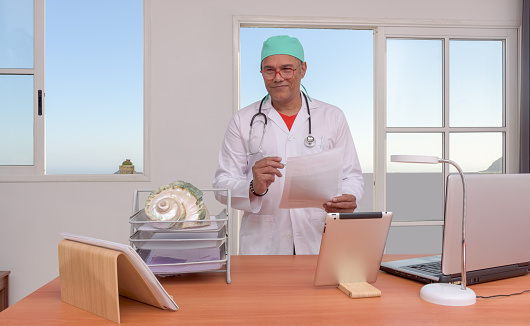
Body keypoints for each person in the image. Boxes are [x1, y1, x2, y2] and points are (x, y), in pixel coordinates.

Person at [213, 35, 364, 255]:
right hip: (264, 244)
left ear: (302, 69)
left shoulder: (332, 117)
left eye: (286, 69)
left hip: (318, 237)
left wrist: (349, 198)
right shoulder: (243, 120)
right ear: (261, 72)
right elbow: (221, 184)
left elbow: (352, 176)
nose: (277, 78)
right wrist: (253, 187)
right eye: (269, 70)